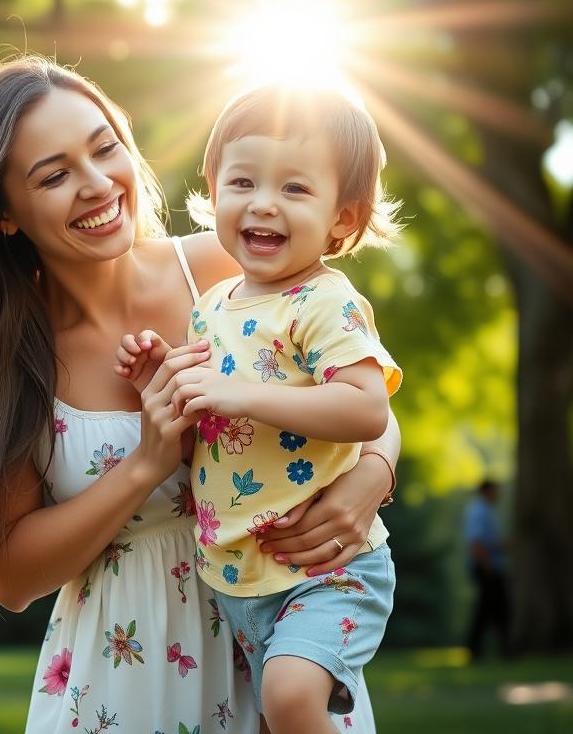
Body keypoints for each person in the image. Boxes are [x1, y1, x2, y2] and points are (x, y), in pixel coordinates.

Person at [0, 57, 400, 733]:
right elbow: (12, 575)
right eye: (54, 175)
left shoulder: (226, 265)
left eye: (104, 147)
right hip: (128, 669)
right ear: (3, 212)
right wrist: (146, 462)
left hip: (283, 630)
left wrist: (371, 477)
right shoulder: (4, 357)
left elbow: (365, 389)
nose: (96, 184)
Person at [117, 84, 402, 734]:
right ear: (214, 192)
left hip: (326, 574)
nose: (263, 204)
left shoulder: (326, 302)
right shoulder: (213, 306)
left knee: (292, 703)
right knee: (279, 717)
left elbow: (366, 410)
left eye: (296, 190)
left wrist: (239, 393)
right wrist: (157, 380)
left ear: (343, 219)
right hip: (241, 579)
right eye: (242, 181)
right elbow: (205, 426)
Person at [463, 479, 509, 658]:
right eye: (496, 490)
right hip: (487, 567)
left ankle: (479, 650)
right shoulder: (479, 511)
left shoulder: (484, 510)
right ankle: (483, 649)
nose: (499, 495)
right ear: (487, 491)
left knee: (488, 610)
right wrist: (488, 567)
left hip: (488, 566)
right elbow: (476, 542)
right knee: (492, 609)